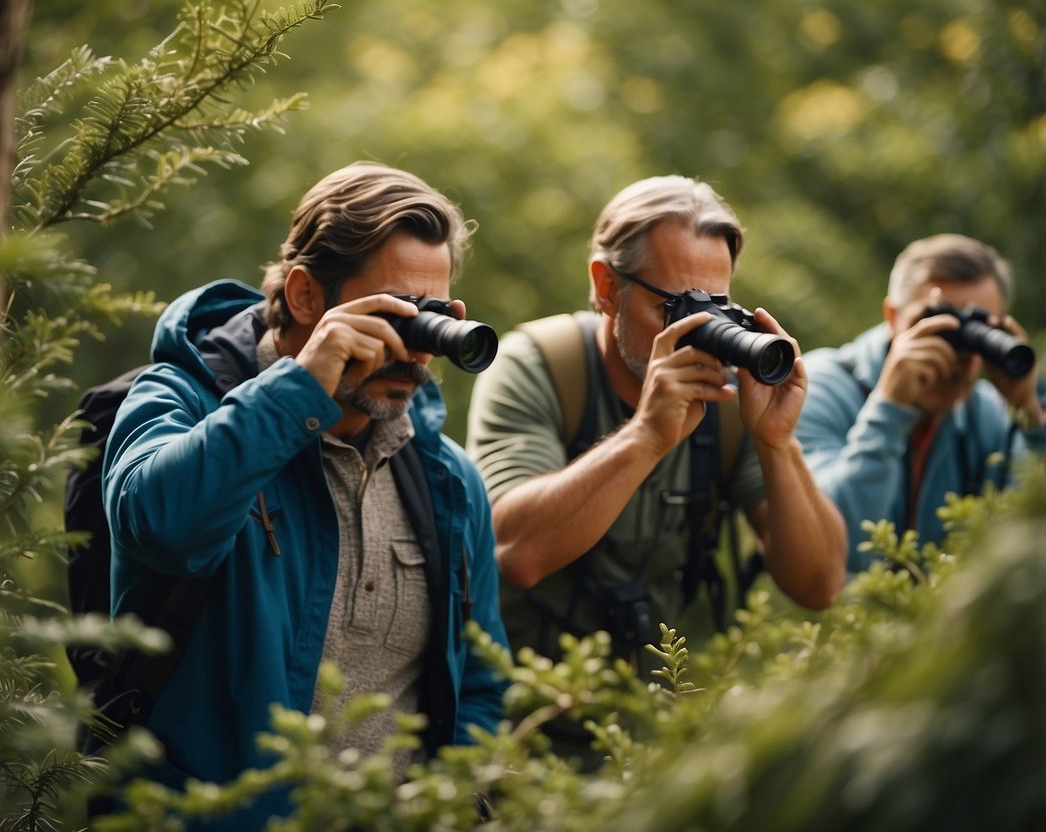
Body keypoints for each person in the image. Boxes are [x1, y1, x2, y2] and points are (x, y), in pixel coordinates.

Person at [102, 162, 510, 829]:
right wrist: (299, 389)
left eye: (430, 315)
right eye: (393, 314)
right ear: (304, 298)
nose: (413, 350)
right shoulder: (175, 399)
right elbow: (162, 525)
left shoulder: (446, 477)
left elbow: (482, 682)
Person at [465, 175, 846, 706]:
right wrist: (647, 434)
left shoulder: (729, 397)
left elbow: (820, 586)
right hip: (521, 720)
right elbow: (516, 552)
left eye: (714, 305)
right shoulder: (540, 368)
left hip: (661, 723)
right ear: (606, 287)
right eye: (675, 307)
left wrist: (777, 442)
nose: (696, 331)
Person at [796, 233, 1046, 571]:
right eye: (935, 323)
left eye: (979, 331)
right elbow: (837, 553)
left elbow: (1032, 538)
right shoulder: (815, 387)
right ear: (891, 315)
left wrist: (1027, 412)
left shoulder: (984, 412)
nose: (955, 355)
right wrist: (890, 407)